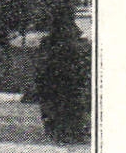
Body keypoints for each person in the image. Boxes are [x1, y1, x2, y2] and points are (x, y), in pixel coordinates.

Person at [37, 7, 92, 145]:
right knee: (73, 106)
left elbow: (42, 65)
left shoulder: (48, 43)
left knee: (58, 106)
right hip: (72, 81)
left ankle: (62, 131)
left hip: (56, 81)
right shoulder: (82, 44)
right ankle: (75, 131)